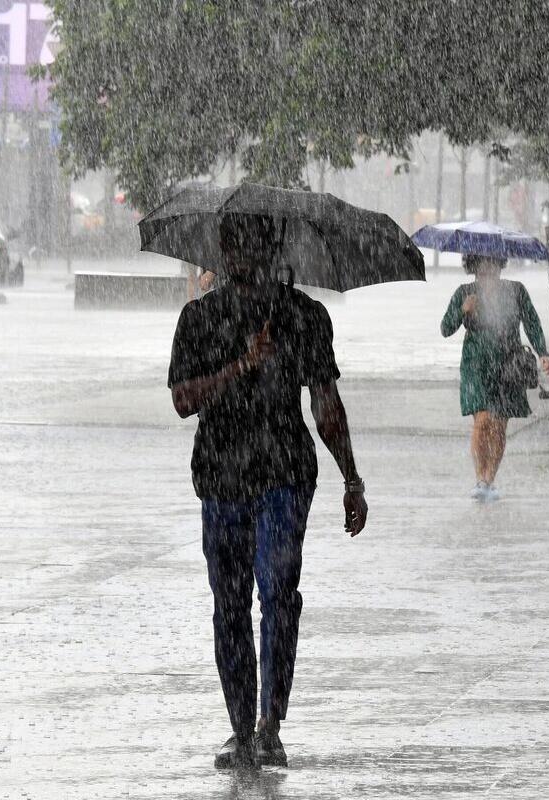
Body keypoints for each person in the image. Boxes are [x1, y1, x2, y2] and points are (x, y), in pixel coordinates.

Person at [168, 213, 368, 770]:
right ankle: (241, 727)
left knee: (279, 595)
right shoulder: (201, 317)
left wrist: (351, 477)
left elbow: (324, 404)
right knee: (229, 604)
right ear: (224, 249)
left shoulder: (304, 317)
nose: (240, 253)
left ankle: (269, 724)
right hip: (222, 478)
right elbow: (184, 400)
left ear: (273, 246)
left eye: (251, 242)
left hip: (285, 476)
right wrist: (239, 366)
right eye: (232, 242)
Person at [440, 254, 549, 502]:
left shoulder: (516, 291)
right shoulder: (465, 293)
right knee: (482, 421)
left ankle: (489, 480)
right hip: (475, 365)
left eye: (493, 263)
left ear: (500, 264)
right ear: (474, 266)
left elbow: (532, 322)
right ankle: (480, 479)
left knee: (499, 425)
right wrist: (463, 311)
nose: (488, 269)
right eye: (483, 264)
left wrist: (542, 352)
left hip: (507, 365)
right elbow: (445, 328)